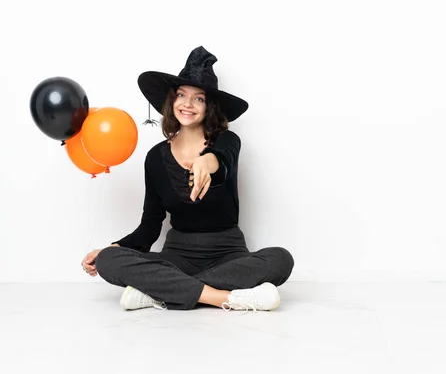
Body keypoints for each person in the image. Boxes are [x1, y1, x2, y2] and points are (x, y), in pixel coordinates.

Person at [80, 46, 294, 312]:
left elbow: (223, 159)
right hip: (177, 256)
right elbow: (149, 227)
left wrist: (207, 160)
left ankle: (159, 292)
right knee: (110, 260)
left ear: (209, 107)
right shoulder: (155, 158)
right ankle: (222, 297)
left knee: (281, 259)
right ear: (172, 101)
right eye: (181, 95)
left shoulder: (227, 141)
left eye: (199, 99)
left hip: (228, 255)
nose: (187, 105)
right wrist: (112, 248)